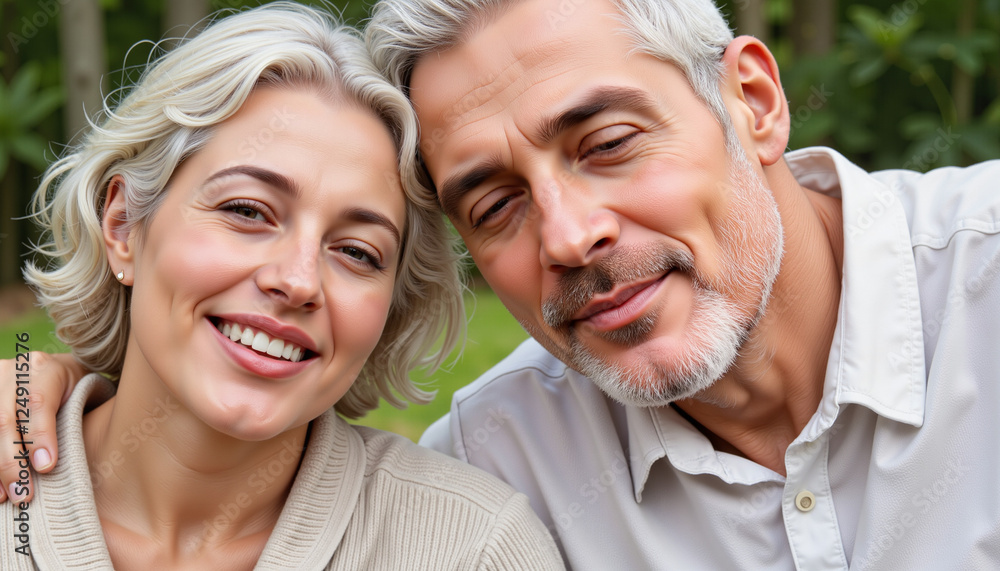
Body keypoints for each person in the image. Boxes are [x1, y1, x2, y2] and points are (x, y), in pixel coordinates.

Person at [5, 0, 999, 568]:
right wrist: (40, 389)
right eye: (494, 204)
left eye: (607, 143)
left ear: (752, 100)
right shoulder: (503, 464)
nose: (568, 236)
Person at [0, 3, 563, 569]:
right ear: (122, 225)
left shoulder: (474, 549)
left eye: (356, 252)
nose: (297, 281)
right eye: (247, 211)